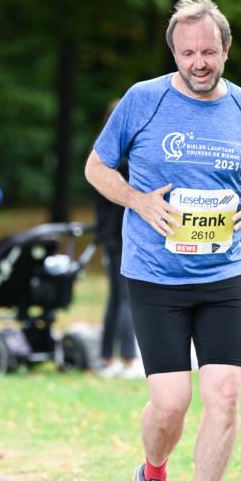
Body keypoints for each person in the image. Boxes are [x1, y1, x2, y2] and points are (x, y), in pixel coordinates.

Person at [85, 0, 241, 481]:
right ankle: (153, 474)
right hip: (154, 275)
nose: (199, 62)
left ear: (225, 50)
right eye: (188, 52)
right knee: (171, 404)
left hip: (222, 274)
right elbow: (96, 166)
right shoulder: (142, 101)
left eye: (209, 52)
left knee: (226, 396)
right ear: (174, 50)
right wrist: (138, 202)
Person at [93, 100, 141, 379]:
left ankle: (106, 357)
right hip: (122, 234)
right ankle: (128, 359)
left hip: (110, 235)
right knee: (125, 297)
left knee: (115, 297)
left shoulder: (101, 155)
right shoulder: (122, 160)